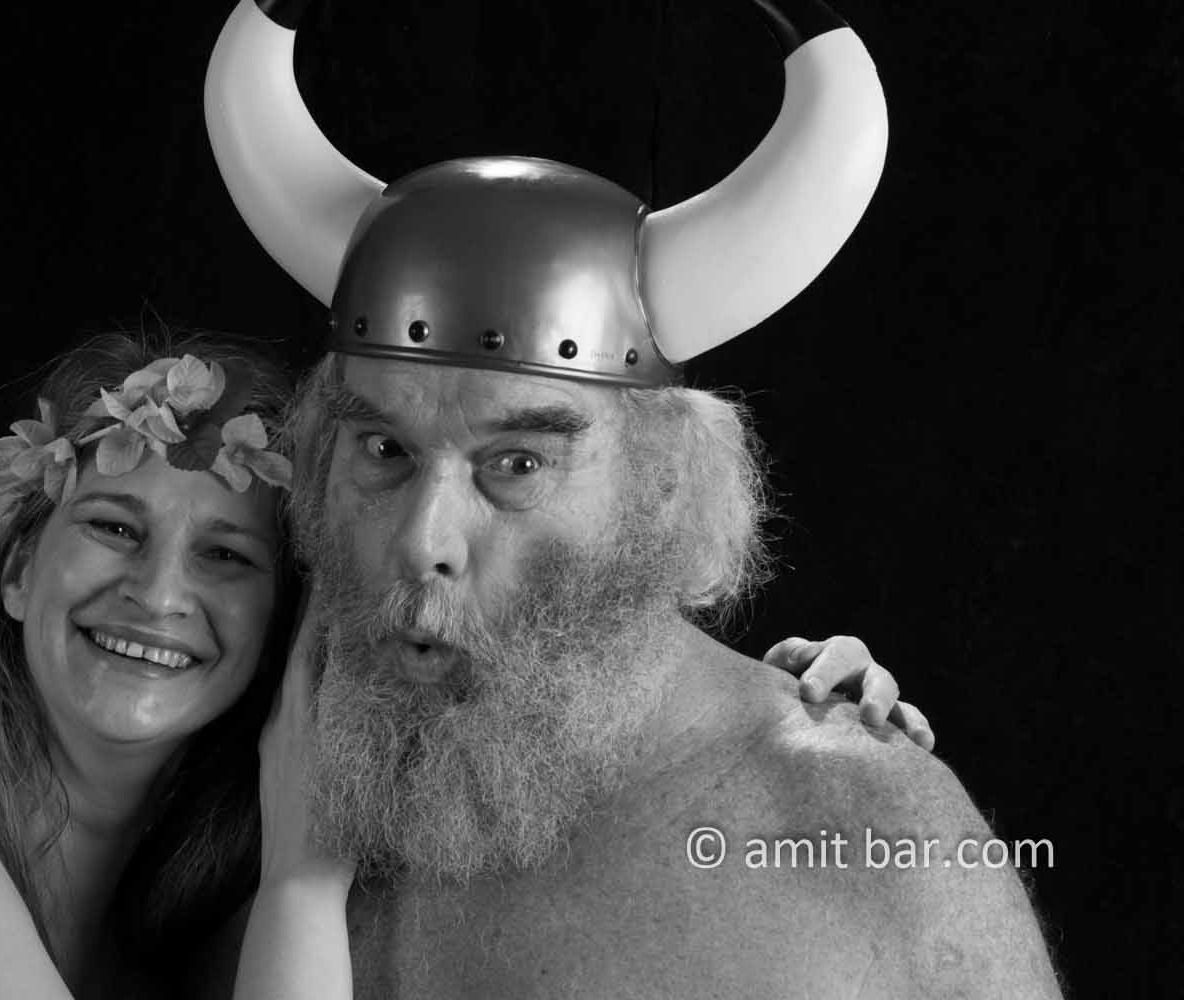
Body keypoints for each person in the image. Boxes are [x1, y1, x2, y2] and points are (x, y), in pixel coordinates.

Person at [200, 0, 1064, 995]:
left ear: (664, 489)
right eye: (385, 448)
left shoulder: (861, 836)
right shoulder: (231, 760)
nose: (420, 540)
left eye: (518, 465)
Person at [0, 328, 927, 1000]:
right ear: (21, 569)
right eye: (116, 527)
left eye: (226, 555)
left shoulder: (170, 899)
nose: (161, 594)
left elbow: (535, 715)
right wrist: (302, 887)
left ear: (291, 625)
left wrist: (757, 710)